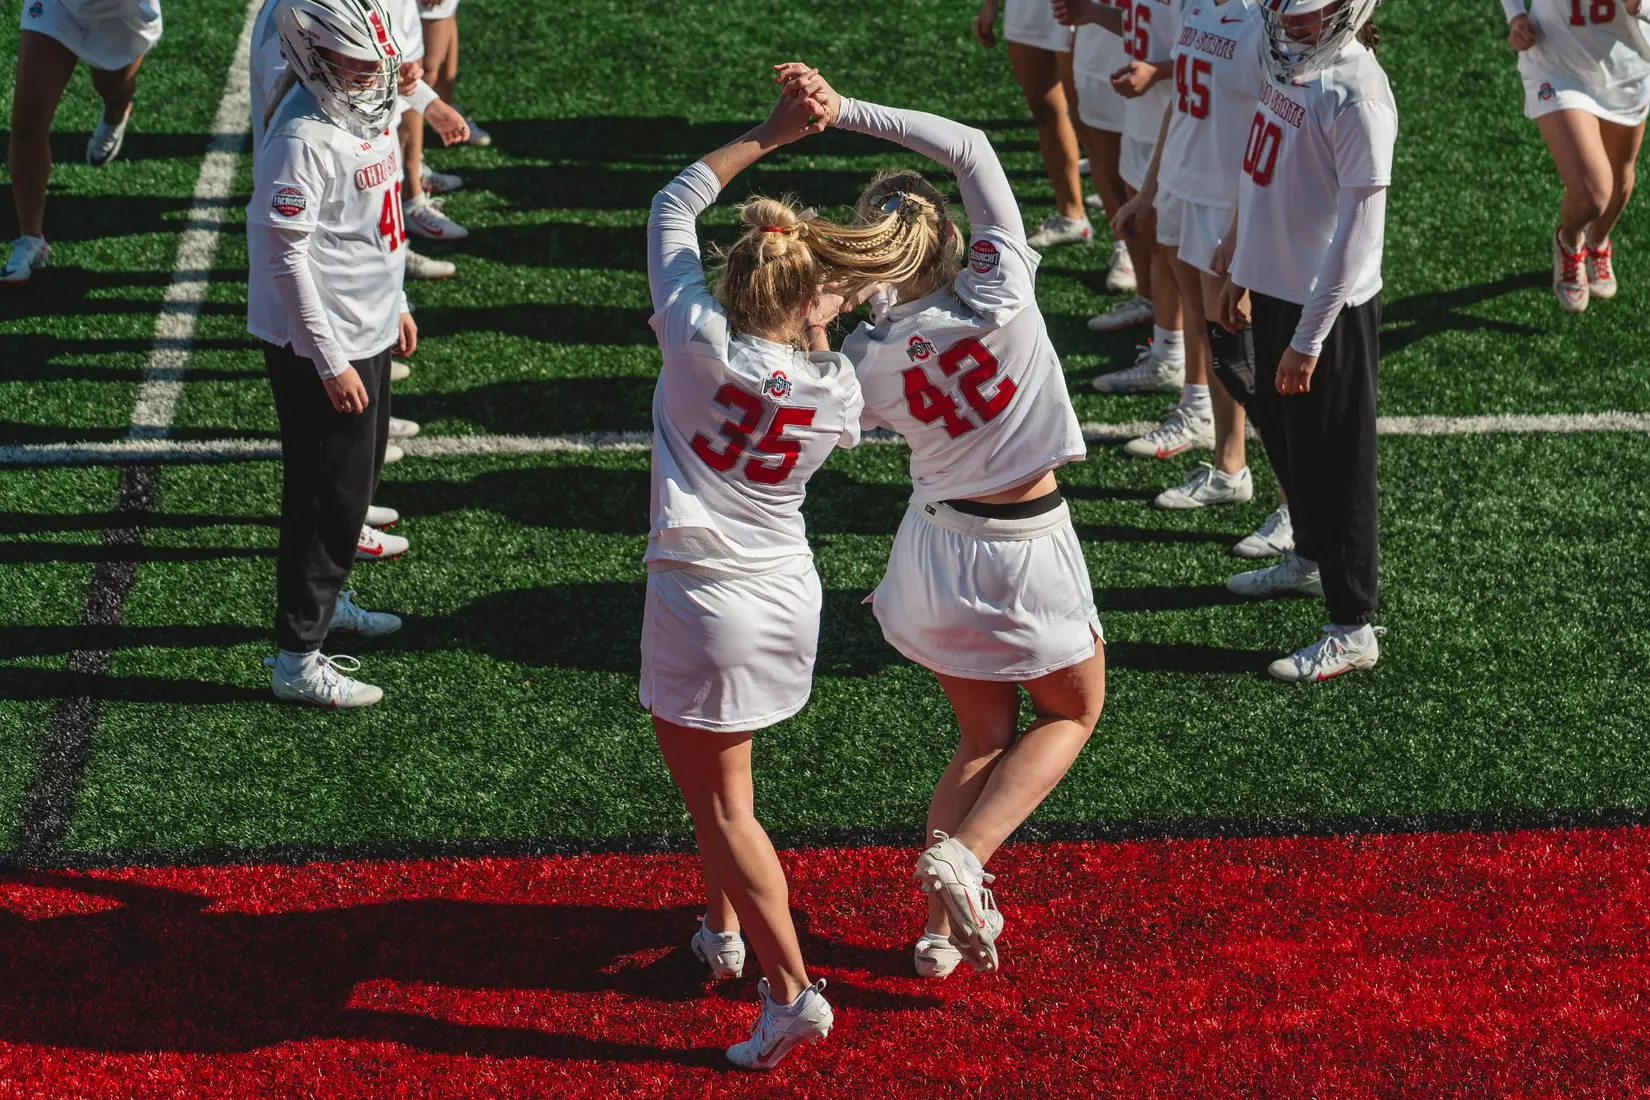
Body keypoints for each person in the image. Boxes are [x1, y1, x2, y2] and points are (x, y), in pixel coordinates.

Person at [777, 63, 1106, 981]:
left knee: (981, 738)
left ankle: (935, 932)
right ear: (953, 238)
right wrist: (846, 111)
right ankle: (964, 859)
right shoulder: (1003, 291)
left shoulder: (868, 357)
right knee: (1075, 711)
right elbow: (966, 145)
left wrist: (820, 324)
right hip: (1025, 547)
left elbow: (830, 414)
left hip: (932, 551)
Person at [643, 77, 863, 1071]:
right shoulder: (836, 387)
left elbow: (672, 203)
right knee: (723, 781)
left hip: (702, 594)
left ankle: (789, 988)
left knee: (724, 799)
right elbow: (808, 348)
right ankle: (721, 933)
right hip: (785, 591)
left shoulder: (695, 338)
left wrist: (768, 137)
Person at [1216, 0, 1396, 682]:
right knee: (1290, 441)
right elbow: (1262, 174)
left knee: (1340, 460)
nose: (1289, 25)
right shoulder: (1290, 66)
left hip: (1327, 309)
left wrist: (1310, 338)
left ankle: (1353, 627)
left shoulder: (1360, 96)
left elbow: (1356, 239)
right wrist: (1243, 264)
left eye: (1305, 17)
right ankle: (1310, 559)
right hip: (1275, 289)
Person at [249, 0, 412, 707]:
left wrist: (397, 302)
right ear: (313, 54)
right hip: (328, 342)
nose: (372, 70)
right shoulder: (302, 135)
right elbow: (288, 262)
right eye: (354, 59)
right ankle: (298, 658)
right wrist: (329, 360)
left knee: (355, 485)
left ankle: (328, 598)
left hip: (366, 326)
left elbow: (374, 229)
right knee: (324, 497)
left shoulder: (355, 115)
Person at [1110, 0, 1263, 508]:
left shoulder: (1261, 18)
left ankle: (1240, 468)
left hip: (1221, 200)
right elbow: (1180, 102)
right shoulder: (1197, 5)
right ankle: (1225, 459)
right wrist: (1150, 190)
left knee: (1232, 342)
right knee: (1204, 330)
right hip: (1180, 186)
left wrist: (1246, 221)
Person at [1063, 0, 1189, 389]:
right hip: (1143, 116)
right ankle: (1165, 338)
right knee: (1154, 241)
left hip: (1175, 123)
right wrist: (1091, 14)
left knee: (1176, 252)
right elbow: (1146, 27)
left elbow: (1218, 55)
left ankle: (1176, 358)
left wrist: (1158, 73)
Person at [1503, 0, 1650, 311]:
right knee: (1593, 194)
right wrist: (1515, 16)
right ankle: (1570, 242)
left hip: (1627, 69)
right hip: (1556, 63)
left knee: (1621, 172)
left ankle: (1598, 243)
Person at [3, 0, 163, 283]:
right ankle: (31, 239)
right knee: (28, 125)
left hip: (120, 13)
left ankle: (116, 113)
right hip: (59, 5)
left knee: (112, 88)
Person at [976, 0, 1095, 247]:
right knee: (1044, 110)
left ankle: (1125, 244)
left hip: (1085, 10)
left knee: (1094, 120)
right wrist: (991, 4)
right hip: (1027, 10)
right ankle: (1072, 217)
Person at [1066, 0, 1153, 319]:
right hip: (1094, 54)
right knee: (1111, 172)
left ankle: (1175, 319)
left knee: (1158, 191)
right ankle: (1141, 281)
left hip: (1154, 65)